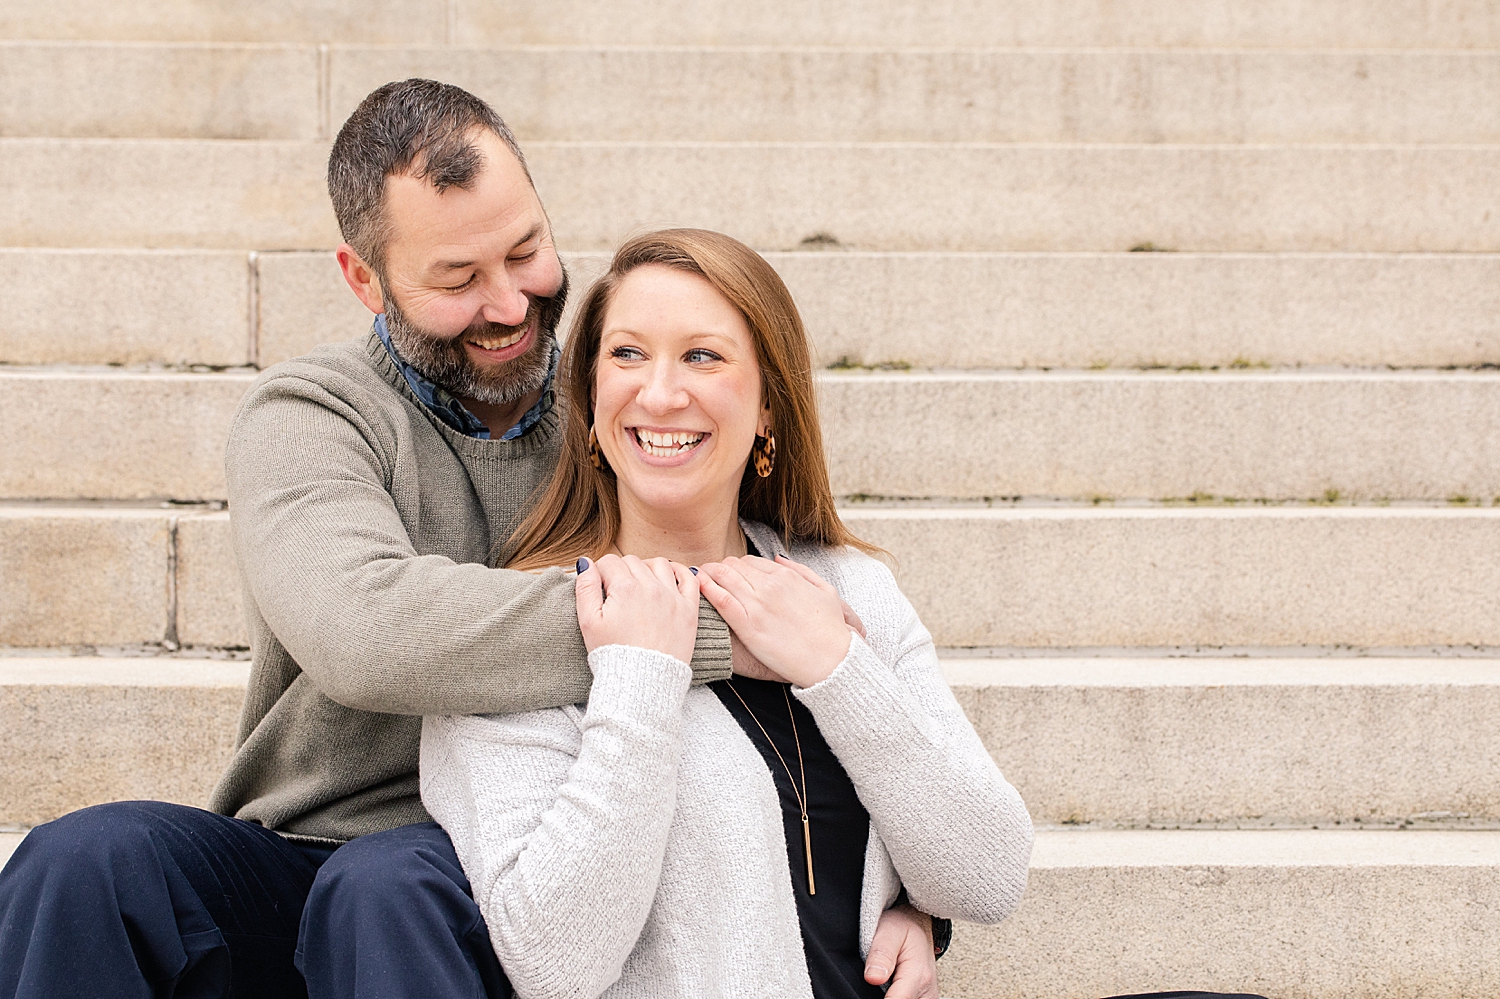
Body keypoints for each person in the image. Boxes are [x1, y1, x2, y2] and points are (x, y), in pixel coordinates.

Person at [0, 81, 940, 999]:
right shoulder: (310, 415)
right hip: (307, 848)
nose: (510, 303)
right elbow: (366, 632)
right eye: (457, 279)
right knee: (83, 863)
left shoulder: (620, 407)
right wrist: (693, 628)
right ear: (362, 277)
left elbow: (800, 581)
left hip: (515, 858)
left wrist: (905, 895)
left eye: (526, 250)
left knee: (391, 890)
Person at [420, 228, 1272, 999]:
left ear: (767, 411)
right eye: (629, 354)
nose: (661, 392)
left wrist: (838, 671)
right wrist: (639, 679)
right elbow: (552, 962)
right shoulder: (513, 631)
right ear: (591, 401)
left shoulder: (847, 588)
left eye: (704, 357)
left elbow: (986, 875)